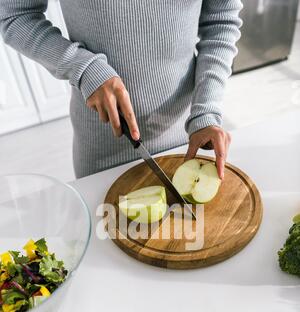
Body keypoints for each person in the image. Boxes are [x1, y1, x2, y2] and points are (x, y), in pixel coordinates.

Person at [0, 1, 242, 179]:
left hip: (191, 138)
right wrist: (84, 68)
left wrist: (206, 110)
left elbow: (221, 20)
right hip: (105, 149)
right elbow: (15, 15)